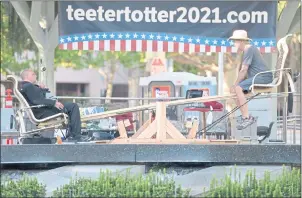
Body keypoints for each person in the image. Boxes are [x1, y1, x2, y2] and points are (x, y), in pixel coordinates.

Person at [20, 69, 85, 142]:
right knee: (73, 106)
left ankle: (72, 135)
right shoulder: (28, 86)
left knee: (70, 107)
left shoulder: (28, 86)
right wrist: (54, 103)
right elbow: (36, 100)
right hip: (44, 112)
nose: (35, 75)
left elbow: (44, 98)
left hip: (43, 110)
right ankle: (76, 136)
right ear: (26, 76)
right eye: (33, 74)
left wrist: (44, 89)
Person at [228, 30, 273, 129]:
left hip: (263, 77)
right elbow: (243, 73)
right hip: (258, 77)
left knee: (238, 88)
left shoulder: (249, 49)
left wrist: (235, 85)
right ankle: (246, 116)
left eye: (236, 41)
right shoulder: (247, 51)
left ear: (242, 41)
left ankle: (246, 117)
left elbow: (244, 70)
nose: (234, 43)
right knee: (236, 91)